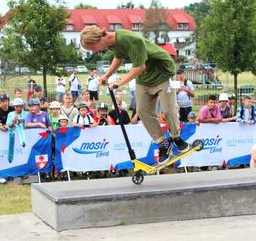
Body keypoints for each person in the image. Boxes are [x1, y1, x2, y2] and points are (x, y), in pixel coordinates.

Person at [80, 25, 190, 164]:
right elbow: (118, 57)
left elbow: (140, 66)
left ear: (97, 39)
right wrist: (106, 76)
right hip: (144, 78)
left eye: (92, 48)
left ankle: (176, 138)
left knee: (168, 110)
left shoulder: (130, 39)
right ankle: (163, 144)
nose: (94, 51)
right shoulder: (112, 44)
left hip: (163, 73)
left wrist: (120, 82)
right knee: (143, 111)